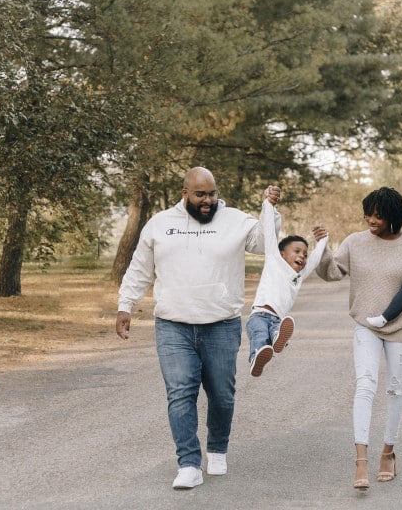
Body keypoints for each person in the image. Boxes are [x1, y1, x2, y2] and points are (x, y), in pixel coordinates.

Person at [115, 167, 281, 490]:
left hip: (220, 324)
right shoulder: (160, 225)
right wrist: (125, 305)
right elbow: (139, 268)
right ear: (185, 193)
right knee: (180, 393)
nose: (207, 201)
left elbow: (265, 244)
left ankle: (217, 446)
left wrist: (269, 209)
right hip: (173, 326)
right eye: (200, 195)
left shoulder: (235, 220)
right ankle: (188, 464)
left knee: (222, 393)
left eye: (212, 194)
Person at [313, 186, 402, 491]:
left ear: (394, 216)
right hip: (365, 324)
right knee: (365, 385)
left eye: (378, 215)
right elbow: (332, 272)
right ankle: (361, 461)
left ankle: (388, 453)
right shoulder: (355, 242)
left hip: (401, 326)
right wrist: (322, 247)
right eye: (368, 213)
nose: (371, 219)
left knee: (395, 390)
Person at [246, 197, 328, 377]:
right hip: (258, 315)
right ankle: (256, 359)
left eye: (305, 254)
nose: (303, 256)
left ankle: (277, 338)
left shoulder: (298, 276)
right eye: (297, 251)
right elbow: (268, 231)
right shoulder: (274, 260)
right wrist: (268, 205)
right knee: (260, 337)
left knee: (277, 329)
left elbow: (314, 261)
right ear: (282, 253)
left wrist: (323, 240)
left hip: (277, 320)